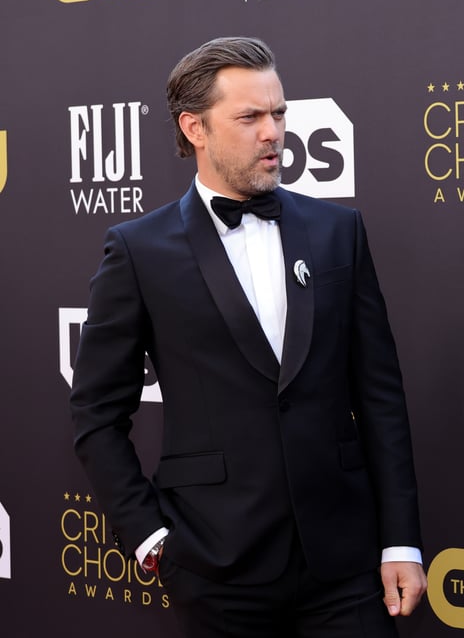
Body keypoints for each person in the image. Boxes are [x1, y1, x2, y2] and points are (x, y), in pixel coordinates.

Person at [69, 36, 426, 638]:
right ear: (195, 128)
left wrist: (401, 542)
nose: (273, 132)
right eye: (251, 116)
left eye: (279, 113)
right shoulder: (138, 251)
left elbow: (381, 398)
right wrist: (150, 537)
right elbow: (96, 414)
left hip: (344, 563)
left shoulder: (339, 231)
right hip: (214, 567)